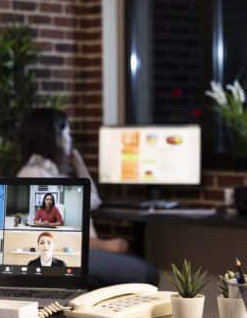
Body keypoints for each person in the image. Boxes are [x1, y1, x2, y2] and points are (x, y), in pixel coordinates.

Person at [17, 108, 158, 288]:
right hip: (75, 254)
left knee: (139, 268)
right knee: (147, 273)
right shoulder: (37, 176)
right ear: (55, 137)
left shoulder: (44, 171)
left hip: (83, 251)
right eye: (67, 133)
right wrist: (104, 246)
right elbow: (56, 236)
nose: (70, 140)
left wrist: (78, 162)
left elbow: (92, 200)